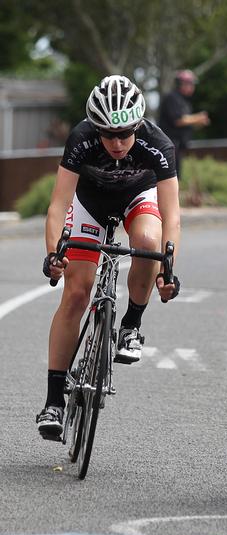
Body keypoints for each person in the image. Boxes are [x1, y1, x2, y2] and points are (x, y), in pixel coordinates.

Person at [36, 75, 181, 439]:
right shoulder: (81, 138)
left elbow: (172, 212)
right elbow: (58, 203)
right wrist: (54, 252)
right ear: (94, 127)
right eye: (107, 134)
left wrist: (168, 267)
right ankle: (54, 400)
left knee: (148, 240)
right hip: (90, 204)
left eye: (124, 134)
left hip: (137, 197)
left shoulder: (158, 143)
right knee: (77, 291)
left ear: (138, 126)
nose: (116, 143)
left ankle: (131, 325)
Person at [158, 69, 210, 178]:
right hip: (169, 146)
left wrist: (199, 122)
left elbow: (187, 123)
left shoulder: (184, 101)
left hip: (179, 146)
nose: (192, 87)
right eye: (190, 84)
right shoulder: (172, 97)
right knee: (171, 177)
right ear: (181, 84)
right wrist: (198, 118)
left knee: (178, 176)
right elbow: (178, 120)